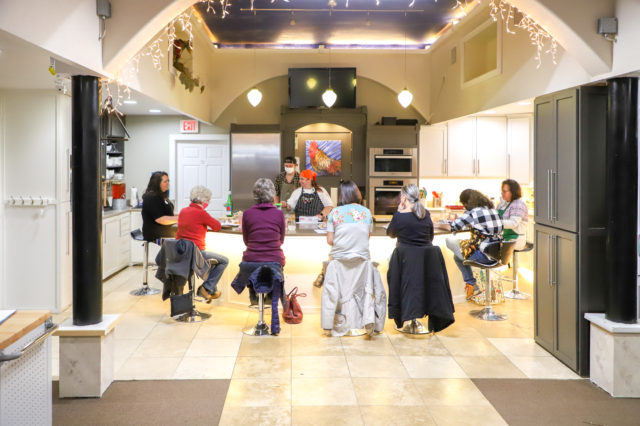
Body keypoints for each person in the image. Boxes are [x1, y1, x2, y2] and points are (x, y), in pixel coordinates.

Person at [438, 189, 503, 299]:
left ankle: (472, 284)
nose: (464, 207)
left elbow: (451, 227)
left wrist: (437, 224)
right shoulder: (493, 210)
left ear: (467, 202)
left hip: (484, 255)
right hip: (499, 254)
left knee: (449, 241)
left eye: (464, 204)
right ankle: (472, 285)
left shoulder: (472, 213)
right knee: (457, 257)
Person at [238, 178, 287, 307]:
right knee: (277, 265)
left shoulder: (247, 214)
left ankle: (253, 294)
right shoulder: (279, 214)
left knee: (251, 267)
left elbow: (246, 241)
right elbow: (281, 240)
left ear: (255, 194)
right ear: (272, 194)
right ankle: (271, 295)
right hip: (274, 260)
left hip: (251, 260)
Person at [176, 186, 228, 301]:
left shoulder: (183, 211)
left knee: (210, 263)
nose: (208, 203)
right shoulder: (201, 213)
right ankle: (206, 288)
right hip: (196, 253)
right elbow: (217, 226)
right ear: (204, 201)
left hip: (180, 252)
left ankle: (211, 290)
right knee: (224, 261)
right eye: (208, 200)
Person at [326, 180, 373, 260]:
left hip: (338, 259)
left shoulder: (334, 212)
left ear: (340, 195)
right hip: (362, 260)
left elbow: (330, 241)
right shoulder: (367, 212)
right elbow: (367, 237)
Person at [141, 171, 178, 241]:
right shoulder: (152, 197)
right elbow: (160, 219)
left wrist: (183, 215)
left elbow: (167, 213)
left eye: (168, 181)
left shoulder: (161, 195)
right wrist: (180, 219)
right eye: (165, 182)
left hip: (162, 229)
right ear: (157, 183)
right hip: (154, 233)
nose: (168, 183)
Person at [497, 179, 528, 251]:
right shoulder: (504, 204)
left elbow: (513, 223)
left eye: (504, 191)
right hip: (506, 237)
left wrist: (496, 223)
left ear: (513, 192)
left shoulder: (518, 204)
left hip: (515, 239)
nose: (502, 193)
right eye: (502, 191)